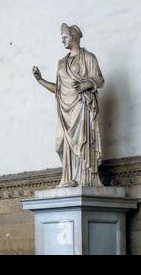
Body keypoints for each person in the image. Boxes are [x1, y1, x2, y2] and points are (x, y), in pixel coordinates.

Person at [33, 23, 104, 188]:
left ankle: (85, 179)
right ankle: (68, 178)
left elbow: (100, 80)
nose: (62, 41)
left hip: (81, 106)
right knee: (61, 143)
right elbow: (58, 90)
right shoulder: (61, 63)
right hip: (64, 111)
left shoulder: (88, 57)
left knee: (82, 141)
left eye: (65, 37)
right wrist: (40, 80)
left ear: (74, 37)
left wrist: (88, 84)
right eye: (62, 38)